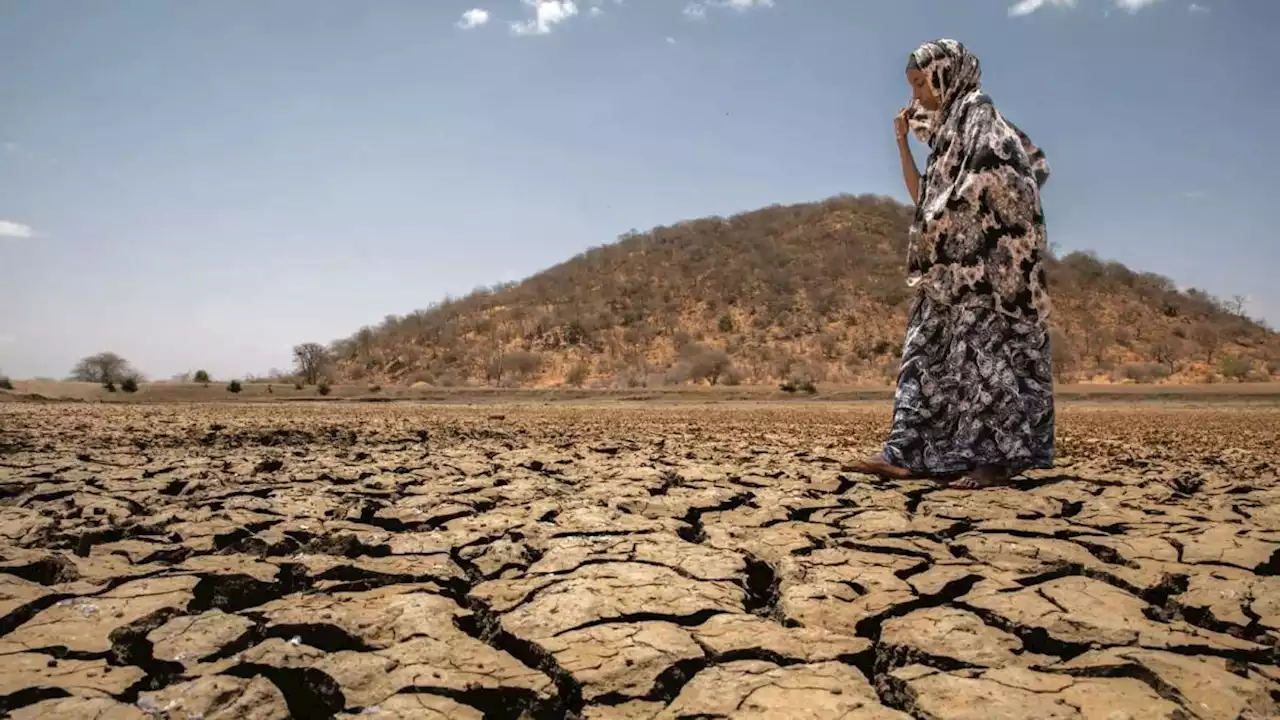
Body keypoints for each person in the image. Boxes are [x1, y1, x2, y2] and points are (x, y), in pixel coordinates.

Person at [851, 39, 1055, 489]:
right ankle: (905, 453)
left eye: (922, 83)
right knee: (924, 359)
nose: (917, 96)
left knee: (987, 368)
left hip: (986, 278)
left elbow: (1000, 179)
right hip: (945, 275)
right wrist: (902, 144)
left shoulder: (981, 119)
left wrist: (945, 214)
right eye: (913, 85)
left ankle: (995, 464)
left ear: (948, 75)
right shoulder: (947, 135)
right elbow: (923, 198)